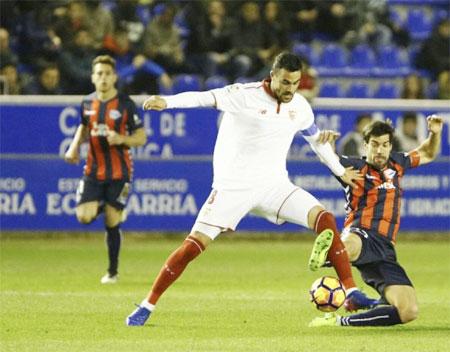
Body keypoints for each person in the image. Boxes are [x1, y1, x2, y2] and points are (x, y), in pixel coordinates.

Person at [126, 52, 377, 326]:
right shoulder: (243, 94)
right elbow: (204, 97)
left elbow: (316, 140)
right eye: (284, 82)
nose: (289, 89)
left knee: (325, 219)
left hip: (274, 186)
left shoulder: (300, 106)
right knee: (192, 247)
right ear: (272, 75)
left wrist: (340, 171)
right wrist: (168, 102)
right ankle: (147, 305)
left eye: (295, 83)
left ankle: (351, 292)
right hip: (232, 188)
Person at [309, 116, 443, 327]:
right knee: (351, 244)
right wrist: (326, 146)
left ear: (391, 146)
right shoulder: (354, 167)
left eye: (385, 145)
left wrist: (435, 133)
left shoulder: (398, 163)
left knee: (408, 311)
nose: (380, 150)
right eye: (374, 144)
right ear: (365, 145)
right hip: (360, 232)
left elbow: (428, 152)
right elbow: (329, 159)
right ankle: (330, 252)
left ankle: (340, 321)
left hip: (385, 251)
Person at [64, 55, 147, 284]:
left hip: (120, 172)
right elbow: (83, 127)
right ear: (93, 77)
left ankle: (112, 272)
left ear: (114, 77)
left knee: (112, 221)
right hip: (93, 170)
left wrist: (120, 138)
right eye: (99, 73)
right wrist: (73, 148)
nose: (103, 78)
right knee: (84, 216)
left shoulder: (125, 104)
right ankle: (108, 205)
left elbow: (141, 137)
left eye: (107, 74)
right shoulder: (87, 103)